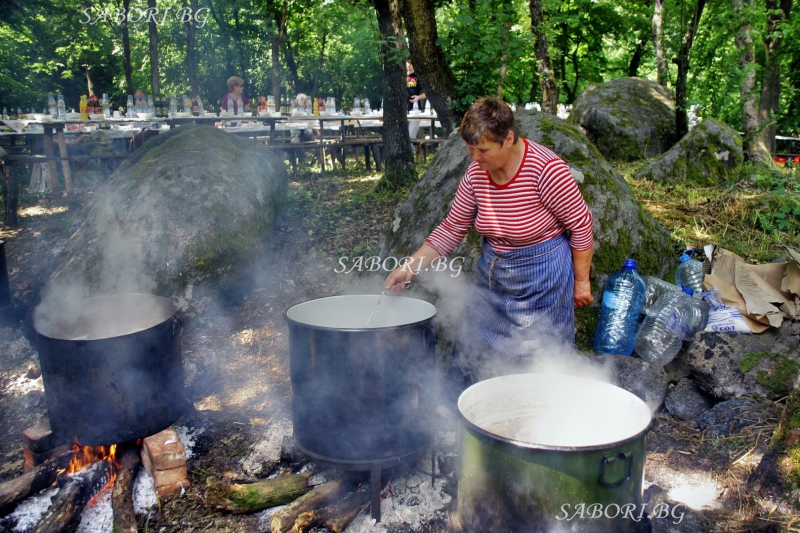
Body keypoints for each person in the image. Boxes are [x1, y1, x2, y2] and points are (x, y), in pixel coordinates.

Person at [384, 97, 594, 397]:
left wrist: (582, 282)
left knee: (538, 351)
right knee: (472, 337)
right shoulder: (475, 174)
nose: (474, 157)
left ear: (508, 138)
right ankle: (456, 407)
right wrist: (408, 269)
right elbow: (452, 227)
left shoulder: (546, 170)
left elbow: (581, 225)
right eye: (470, 149)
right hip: (495, 271)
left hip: (543, 275)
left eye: (482, 150)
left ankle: (538, 411)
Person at [406, 61, 426, 139]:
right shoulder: (401, 76)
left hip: (415, 109)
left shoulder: (418, 77)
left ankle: (411, 147)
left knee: (411, 135)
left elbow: (429, 92)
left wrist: (418, 97)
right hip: (403, 108)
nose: (409, 65)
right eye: (408, 62)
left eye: (411, 63)